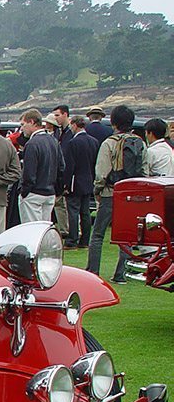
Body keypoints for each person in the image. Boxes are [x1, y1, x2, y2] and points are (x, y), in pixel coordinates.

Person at [88, 105, 144, 284]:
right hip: (130, 194)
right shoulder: (139, 142)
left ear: (113, 122)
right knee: (126, 235)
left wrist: (97, 190)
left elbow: (102, 171)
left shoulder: (109, 143)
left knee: (97, 235)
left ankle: (93, 272)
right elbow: (144, 169)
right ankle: (120, 273)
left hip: (110, 193)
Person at [18, 109, 64, 223]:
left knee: (31, 230)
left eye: (23, 124)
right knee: (44, 231)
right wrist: (57, 189)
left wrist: (24, 192)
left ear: (32, 122)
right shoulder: (53, 141)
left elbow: (29, 172)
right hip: (49, 193)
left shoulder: (32, 144)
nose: (22, 128)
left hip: (34, 193)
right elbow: (61, 167)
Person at [63, 115, 99, 248]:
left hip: (75, 181)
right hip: (88, 180)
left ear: (74, 125)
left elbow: (70, 165)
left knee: (73, 211)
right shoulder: (94, 141)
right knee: (85, 212)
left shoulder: (73, 143)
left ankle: (72, 240)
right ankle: (85, 240)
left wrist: (65, 184)